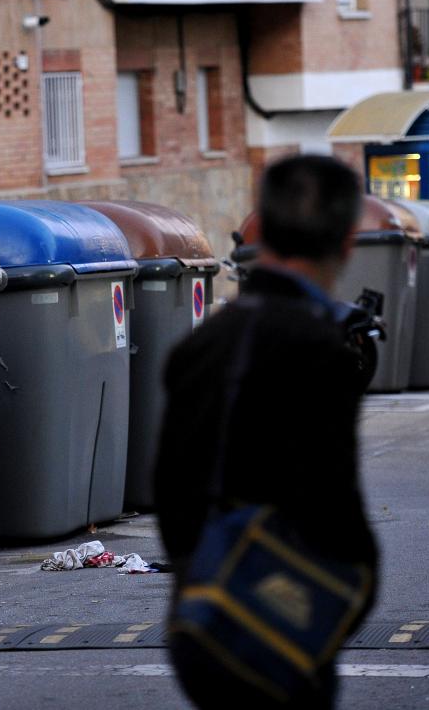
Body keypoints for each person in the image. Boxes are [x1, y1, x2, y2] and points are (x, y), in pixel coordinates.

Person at [154, 155, 379, 708]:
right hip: (283, 623)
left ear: (264, 231)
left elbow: (168, 489)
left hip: (202, 622)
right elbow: (333, 507)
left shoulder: (198, 347)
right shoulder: (322, 351)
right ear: (347, 242)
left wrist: (197, 578)